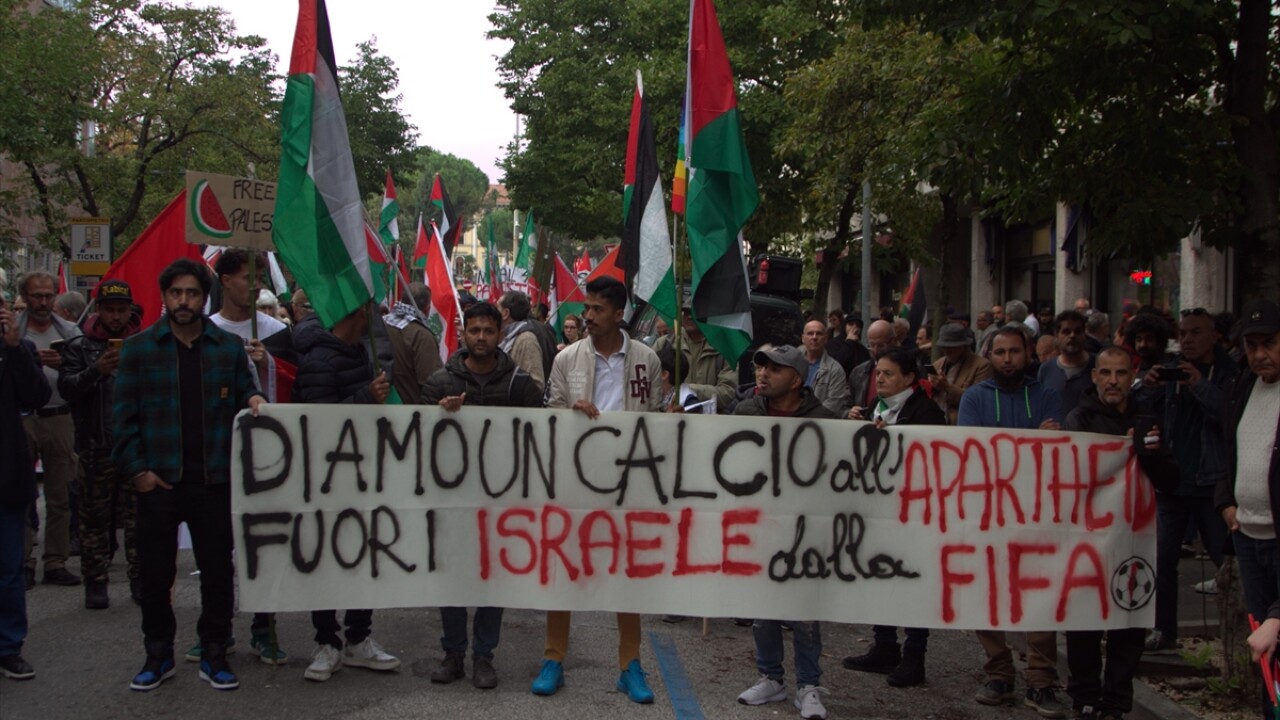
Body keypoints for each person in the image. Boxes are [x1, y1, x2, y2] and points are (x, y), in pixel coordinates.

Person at [113, 258, 266, 692]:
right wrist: (138, 472)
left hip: (212, 482)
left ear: (204, 298)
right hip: (158, 484)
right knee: (155, 576)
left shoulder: (227, 348)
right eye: (176, 293)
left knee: (217, 574)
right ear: (165, 297)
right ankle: (157, 654)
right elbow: (122, 419)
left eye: (192, 293)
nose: (184, 301)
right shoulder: (140, 349)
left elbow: (245, 391)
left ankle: (215, 652)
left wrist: (254, 399)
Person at [533, 276, 660, 704]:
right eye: (586, 308)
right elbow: (549, 414)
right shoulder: (566, 359)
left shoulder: (646, 359)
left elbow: (654, 417)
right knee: (565, 565)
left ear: (618, 314)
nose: (587, 316)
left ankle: (630, 664)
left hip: (627, 482)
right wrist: (571, 411)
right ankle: (553, 658)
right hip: (576, 478)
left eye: (597, 310)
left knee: (627, 573)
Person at [422, 301, 543, 690]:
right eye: (474, 330)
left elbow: (542, 433)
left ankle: (483, 656)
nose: (480, 337)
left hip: (500, 503)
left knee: (492, 578)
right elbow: (417, 436)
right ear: (463, 334)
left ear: (499, 335)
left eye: (488, 331)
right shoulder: (440, 383)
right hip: (453, 500)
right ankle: (453, 653)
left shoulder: (519, 384)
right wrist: (439, 413)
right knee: (453, 576)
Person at [958, 326, 1067, 718]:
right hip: (987, 511)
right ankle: (999, 673)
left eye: (1014, 351)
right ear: (990, 355)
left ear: (1028, 354)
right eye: (1000, 352)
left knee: (1039, 595)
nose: (1007, 359)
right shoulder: (974, 397)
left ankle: (1041, 679)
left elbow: (1058, 450)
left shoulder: (1047, 395)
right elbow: (971, 451)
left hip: (1038, 511)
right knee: (986, 594)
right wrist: (1031, 438)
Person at [1064, 347, 1176, 720]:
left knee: (1129, 623)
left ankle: (1115, 702)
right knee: (1084, 620)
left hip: (1132, 537)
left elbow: (1170, 479)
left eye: (1121, 373)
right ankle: (1085, 697)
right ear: (1095, 376)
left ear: (1133, 376)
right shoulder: (1078, 419)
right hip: (1088, 537)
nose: (1113, 381)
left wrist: (1149, 452)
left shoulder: (1148, 419)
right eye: (1106, 373)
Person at [292, 303, 401, 682]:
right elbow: (317, 423)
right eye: (366, 312)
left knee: (363, 557)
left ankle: (358, 637)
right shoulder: (319, 361)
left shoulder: (357, 354)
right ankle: (326, 642)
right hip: (326, 481)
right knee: (326, 560)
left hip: (360, 476)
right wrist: (366, 397)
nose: (372, 318)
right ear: (353, 315)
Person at [734, 344, 832, 719]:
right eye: (761, 367)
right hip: (759, 526)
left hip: (805, 531)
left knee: (804, 613)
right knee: (763, 611)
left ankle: (808, 685)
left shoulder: (824, 419)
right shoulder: (746, 411)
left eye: (774, 369)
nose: (763, 374)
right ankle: (771, 678)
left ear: (796, 379)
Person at [842, 347, 945, 689]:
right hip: (879, 507)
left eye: (888, 374)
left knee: (913, 580)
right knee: (879, 574)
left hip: (914, 510)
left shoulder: (927, 412)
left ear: (909, 378)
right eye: (878, 373)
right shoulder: (876, 406)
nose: (881, 379)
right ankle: (885, 644)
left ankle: (915, 654)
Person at [1141, 307, 1236, 652]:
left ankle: (1238, 634)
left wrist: (1199, 384)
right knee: (1163, 560)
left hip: (1211, 483)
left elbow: (1230, 416)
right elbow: (1140, 411)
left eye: (1196, 332)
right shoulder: (1171, 369)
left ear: (1214, 336)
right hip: (1173, 481)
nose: (1187, 340)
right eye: (1182, 333)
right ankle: (1164, 630)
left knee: (1226, 561)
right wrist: (1149, 386)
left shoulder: (1228, 372)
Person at [58, 280, 142, 610]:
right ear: (99, 311)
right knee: (94, 520)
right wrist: (96, 370)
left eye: (122, 310)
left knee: (138, 521)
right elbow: (67, 388)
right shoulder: (79, 346)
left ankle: (140, 579)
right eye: (110, 310)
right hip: (96, 445)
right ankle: (95, 580)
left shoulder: (142, 344)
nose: (116, 316)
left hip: (135, 446)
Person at [1217, 300, 1280, 711]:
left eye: (1269, 343)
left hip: (1276, 534)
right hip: (1248, 533)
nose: (1259, 354)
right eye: (1251, 345)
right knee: (1265, 645)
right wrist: (1226, 501)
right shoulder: (1242, 386)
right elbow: (1228, 449)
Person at [17, 271, 81, 589]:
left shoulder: (69, 331)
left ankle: (55, 560)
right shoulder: (12, 332)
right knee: (20, 494)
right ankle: (22, 560)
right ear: (25, 298)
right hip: (21, 419)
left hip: (59, 416)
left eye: (48, 296)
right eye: (36, 296)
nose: (43, 302)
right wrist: (28, 361)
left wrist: (63, 365)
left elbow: (85, 373)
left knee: (60, 494)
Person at [0, 292, 51, 681]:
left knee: (8, 568)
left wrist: (15, 349)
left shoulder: (16, 349)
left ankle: (8, 647)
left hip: (6, 476)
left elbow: (36, 396)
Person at [653, 307, 746, 413]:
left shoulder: (724, 348)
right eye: (686, 312)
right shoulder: (664, 344)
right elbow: (648, 384)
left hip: (708, 420)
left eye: (694, 312)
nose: (689, 317)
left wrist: (687, 391)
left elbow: (728, 393)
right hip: (669, 418)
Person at [383, 281, 442, 405]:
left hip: (378, 408)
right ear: (427, 308)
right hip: (411, 410)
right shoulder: (422, 336)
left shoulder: (380, 325)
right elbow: (433, 383)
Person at [929, 323, 992, 425]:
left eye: (952, 347)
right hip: (933, 420)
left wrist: (946, 387)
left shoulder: (982, 366)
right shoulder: (938, 364)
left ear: (963, 346)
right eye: (944, 347)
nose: (947, 351)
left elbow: (977, 401)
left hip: (960, 423)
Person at [1037, 311, 1096, 414]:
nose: (1072, 336)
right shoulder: (1046, 369)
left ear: (1084, 335)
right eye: (1066, 332)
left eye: (1077, 331)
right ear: (1056, 336)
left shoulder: (1098, 365)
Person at [498, 290, 548, 391]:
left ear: (505, 313)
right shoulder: (505, 338)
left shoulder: (526, 340)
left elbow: (535, 384)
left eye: (497, 308)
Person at [845, 319, 898, 415]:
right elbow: (846, 403)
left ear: (893, 341)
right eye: (872, 345)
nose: (876, 350)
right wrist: (850, 412)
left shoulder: (908, 369)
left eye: (881, 345)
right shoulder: (859, 372)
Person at [800, 320, 851, 416]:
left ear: (826, 339)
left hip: (818, 421)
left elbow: (833, 404)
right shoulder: (792, 364)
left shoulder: (835, 370)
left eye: (819, 334)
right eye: (810, 333)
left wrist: (806, 416)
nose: (814, 337)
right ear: (803, 338)